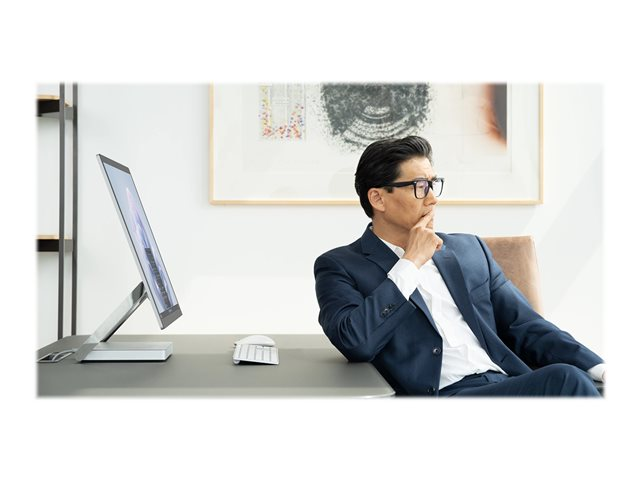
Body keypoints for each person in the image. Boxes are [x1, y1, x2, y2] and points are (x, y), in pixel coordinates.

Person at [313, 136, 605, 396]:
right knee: (566, 380)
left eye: (433, 184)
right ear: (378, 198)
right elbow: (355, 341)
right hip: (444, 396)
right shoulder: (339, 266)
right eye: (419, 187)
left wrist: (601, 369)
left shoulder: (469, 249)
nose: (432, 198)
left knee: (577, 380)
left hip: (508, 384)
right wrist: (410, 262)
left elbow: (527, 325)